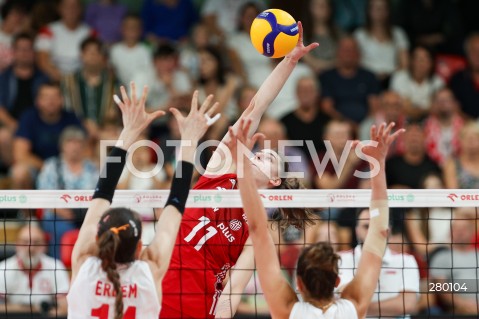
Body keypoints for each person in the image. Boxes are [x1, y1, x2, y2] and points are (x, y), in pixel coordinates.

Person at [161, 22, 319, 319]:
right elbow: (255, 108)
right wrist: (290, 60)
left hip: (200, 304)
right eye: (260, 151)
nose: (261, 154)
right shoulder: (221, 169)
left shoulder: (259, 228)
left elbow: (233, 289)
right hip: (161, 284)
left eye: (269, 157)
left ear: (275, 180)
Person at [224, 119, 404, 318]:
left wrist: (241, 163)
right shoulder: (354, 307)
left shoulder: (287, 310)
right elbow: (380, 231)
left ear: (298, 284)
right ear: (337, 282)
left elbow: (257, 229)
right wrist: (378, 163)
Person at [67, 83, 216, 318]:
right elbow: (176, 205)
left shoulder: (84, 264)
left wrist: (128, 132)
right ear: (139, 247)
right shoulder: (149, 272)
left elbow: (101, 194)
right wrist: (190, 140)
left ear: (98, 238)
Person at [338, 208, 420, 319]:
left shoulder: (406, 260)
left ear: (388, 230)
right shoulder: (340, 259)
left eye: (377, 227)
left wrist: (359, 308)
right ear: (357, 230)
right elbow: (343, 298)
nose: (371, 233)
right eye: (366, 227)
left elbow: (408, 305)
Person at [37, 126, 98, 258]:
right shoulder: (51, 166)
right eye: (70, 142)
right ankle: (60, 270)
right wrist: (62, 211)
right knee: (63, 231)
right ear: (62, 145)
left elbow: (100, 195)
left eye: (78, 142)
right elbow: (44, 196)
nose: (75, 146)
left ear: (84, 146)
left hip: (87, 214)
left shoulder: (92, 168)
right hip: (57, 215)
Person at [11, 82, 83, 189]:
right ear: (38, 101)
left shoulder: (71, 118)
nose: (51, 101)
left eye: (55, 97)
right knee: (19, 172)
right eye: (46, 97)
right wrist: (50, 167)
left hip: (69, 167)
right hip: (38, 167)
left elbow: (86, 150)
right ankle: (25, 206)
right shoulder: (29, 118)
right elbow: (20, 155)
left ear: (62, 100)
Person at [0, 33, 49, 171]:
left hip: (38, 124)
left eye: (28, 49)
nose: (24, 53)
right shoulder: (4, 77)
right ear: (13, 52)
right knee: (3, 136)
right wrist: (14, 125)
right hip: (13, 125)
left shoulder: (43, 77)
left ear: (33, 52)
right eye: (20, 49)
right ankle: (15, 173)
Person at [0, 223, 70, 316]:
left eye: (36, 242)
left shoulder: (56, 267)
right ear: (17, 244)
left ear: (44, 246)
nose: (31, 248)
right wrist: (36, 309)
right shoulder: (3, 268)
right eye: (25, 242)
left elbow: (65, 308)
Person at [62, 37, 117, 141]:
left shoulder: (113, 82)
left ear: (102, 56)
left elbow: (116, 111)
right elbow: (65, 110)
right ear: (81, 55)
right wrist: (85, 124)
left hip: (107, 130)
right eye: (88, 52)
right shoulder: (68, 81)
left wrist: (102, 128)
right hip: (75, 130)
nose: (92, 55)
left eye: (96, 52)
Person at [320, 36, 380, 126]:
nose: (348, 53)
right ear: (337, 52)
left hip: (365, 125)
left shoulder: (369, 76)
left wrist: (363, 126)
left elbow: (374, 106)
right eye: (345, 50)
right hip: (337, 124)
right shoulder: (327, 77)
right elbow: (327, 107)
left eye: (351, 50)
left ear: (358, 53)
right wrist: (348, 124)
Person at [430, 209, 479, 315]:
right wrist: (464, 304)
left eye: (464, 228)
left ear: (473, 232)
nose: (460, 232)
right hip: (458, 311)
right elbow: (440, 288)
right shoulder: (441, 257)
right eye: (456, 229)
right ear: (450, 232)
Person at [354, 0, 409, 87]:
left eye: (383, 8)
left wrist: (391, 75)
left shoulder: (398, 33)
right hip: (366, 80)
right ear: (369, 11)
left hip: (393, 79)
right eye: (376, 8)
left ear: (389, 11)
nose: (380, 12)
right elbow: (355, 62)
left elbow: (404, 63)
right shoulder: (359, 35)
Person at [35, 0, 94, 81]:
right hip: (54, 79)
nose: (71, 10)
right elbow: (43, 61)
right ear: (59, 9)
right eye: (67, 6)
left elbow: (95, 60)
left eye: (75, 6)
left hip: (83, 79)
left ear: (80, 9)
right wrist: (64, 80)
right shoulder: (47, 31)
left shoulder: (90, 33)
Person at [390, 46, 444, 120]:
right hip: (403, 121)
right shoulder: (400, 78)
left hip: (430, 122)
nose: (420, 63)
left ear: (431, 63)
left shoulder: (438, 82)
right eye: (417, 59)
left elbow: (438, 109)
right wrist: (427, 109)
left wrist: (414, 109)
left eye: (425, 59)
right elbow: (402, 108)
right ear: (411, 61)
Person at [110, 14, 153, 86]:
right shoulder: (115, 50)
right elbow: (112, 73)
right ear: (122, 29)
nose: (132, 30)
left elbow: (149, 75)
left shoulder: (146, 50)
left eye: (135, 27)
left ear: (140, 30)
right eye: (129, 27)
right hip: (121, 89)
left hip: (142, 88)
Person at [302, 0, 344, 74]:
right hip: (310, 73)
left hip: (336, 74)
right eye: (318, 5)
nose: (322, 8)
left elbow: (342, 58)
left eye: (325, 5)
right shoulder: (302, 32)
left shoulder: (338, 32)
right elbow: (306, 58)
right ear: (310, 8)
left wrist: (326, 67)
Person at [449, 33, 479, 119]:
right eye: (473, 51)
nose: (477, 55)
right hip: (465, 128)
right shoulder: (457, 79)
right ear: (467, 54)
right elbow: (453, 110)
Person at [442, 121, 479, 189]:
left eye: (475, 138)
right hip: (462, 199)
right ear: (460, 141)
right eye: (467, 138)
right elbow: (452, 192)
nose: (471, 142)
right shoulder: (452, 165)